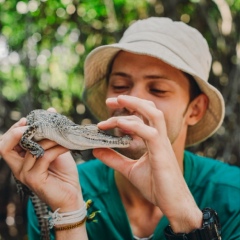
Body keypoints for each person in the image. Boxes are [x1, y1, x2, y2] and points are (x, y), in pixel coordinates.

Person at [0, 17, 239, 240]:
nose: (130, 101)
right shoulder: (57, 185)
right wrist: (69, 213)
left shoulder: (233, 194)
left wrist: (185, 216)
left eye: (157, 89)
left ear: (195, 110)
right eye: (120, 85)